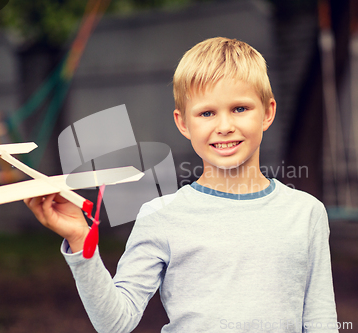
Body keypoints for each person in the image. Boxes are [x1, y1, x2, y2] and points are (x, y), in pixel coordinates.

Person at [25, 37, 338, 333]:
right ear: (183, 123)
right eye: (207, 113)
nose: (225, 126)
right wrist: (81, 240)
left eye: (240, 108)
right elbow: (116, 323)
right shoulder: (160, 215)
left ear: (268, 112)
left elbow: (321, 321)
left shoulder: (306, 213)